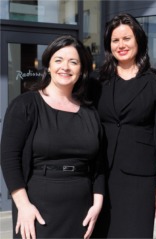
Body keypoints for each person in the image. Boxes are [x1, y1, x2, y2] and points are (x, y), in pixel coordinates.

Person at [1, 35, 105, 239]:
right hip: (37, 209)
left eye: (73, 62)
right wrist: (23, 205)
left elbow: (100, 164)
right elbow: (9, 158)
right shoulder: (26, 105)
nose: (65, 67)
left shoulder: (90, 113)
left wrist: (97, 204)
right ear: (48, 65)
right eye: (58, 60)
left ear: (81, 70)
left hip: (81, 210)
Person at [91, 13, 156, 238]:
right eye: (115, 40)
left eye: (127, 38)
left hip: (140, 178)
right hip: (101, 174)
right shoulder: (97, 81)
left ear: (138, 40)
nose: (121, 45)